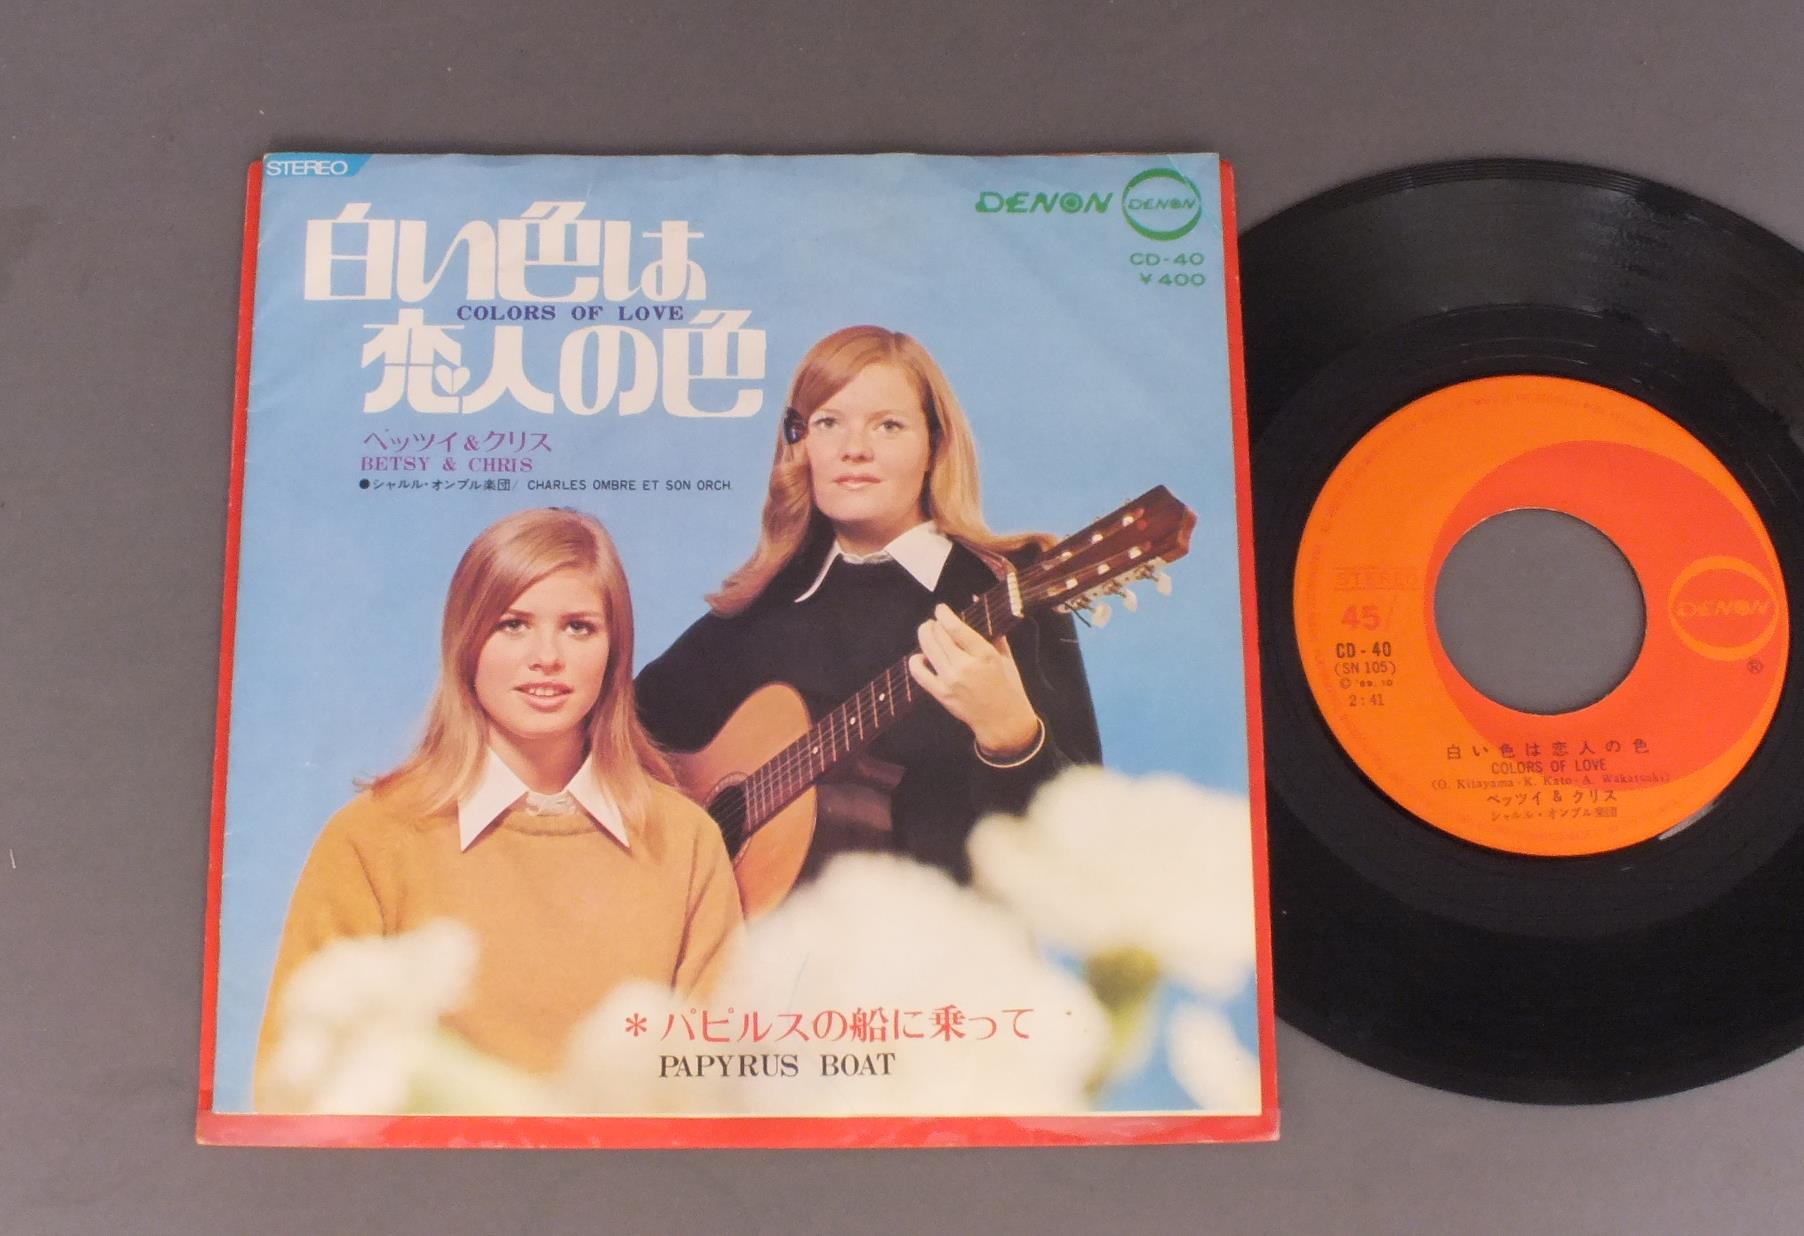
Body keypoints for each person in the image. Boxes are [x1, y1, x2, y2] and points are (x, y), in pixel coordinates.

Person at [254, 508, 742, 1110]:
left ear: (614, 651)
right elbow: (298, 1088)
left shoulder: (686, 841)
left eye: (578, 627)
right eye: (513, 625)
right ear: (466, 643)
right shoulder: (371, 838)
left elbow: (722, 1092)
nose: (547, 656)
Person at [636, 325, 1102, 883]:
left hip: (949, 932)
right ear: (799, 445)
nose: (854, 449)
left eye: (888, 425)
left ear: (934, 446)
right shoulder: (766, 606)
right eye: (828, 422)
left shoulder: (1008, 587)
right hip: (769, 936)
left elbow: (1084, 843)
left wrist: (1013, 737)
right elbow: (616, 732)